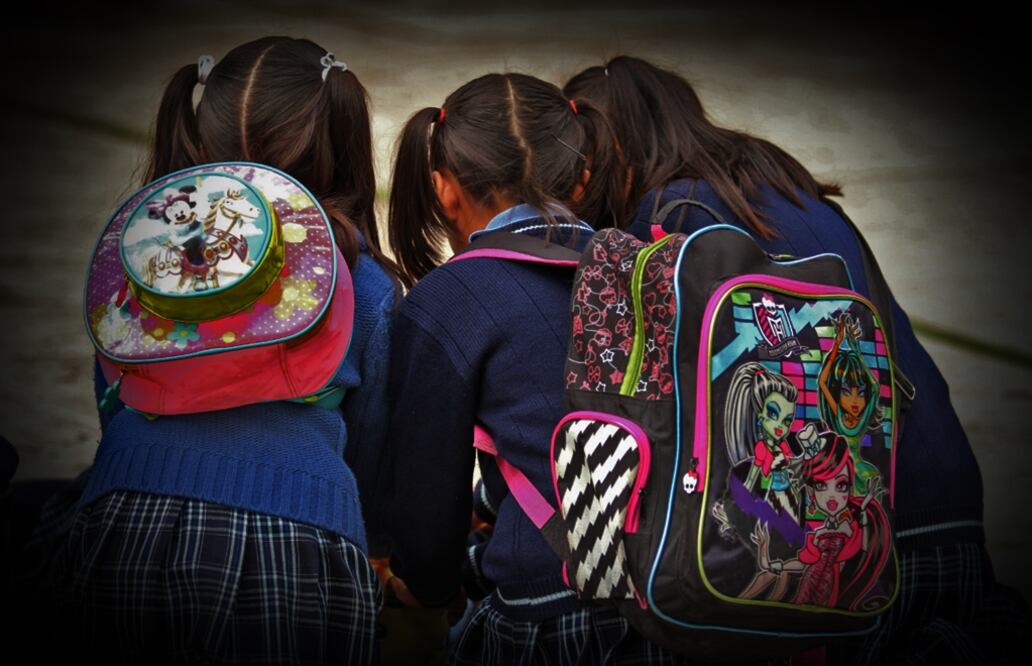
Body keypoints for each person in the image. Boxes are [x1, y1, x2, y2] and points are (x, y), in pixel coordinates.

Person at [564, 54, 1030, 664]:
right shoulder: (793, 189)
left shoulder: (675, 224)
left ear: (608, 151)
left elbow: (667, 418)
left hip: (835, 551)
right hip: (941, 509)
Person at [16, 37, 398, 664]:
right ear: (340, 138)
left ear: (198, 136)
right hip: (298, 541)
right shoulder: (363, 280)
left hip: (125, 516)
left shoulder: (142, 260)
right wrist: (378, 543)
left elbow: (116, 393)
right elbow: (375, 442)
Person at [381, 72, 701, 664]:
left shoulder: (448, 300)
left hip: (552, 614)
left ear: (443, 191)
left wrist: (425, 585)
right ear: (583, 177)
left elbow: (428, 497)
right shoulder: (657, 272)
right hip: (688, 595)